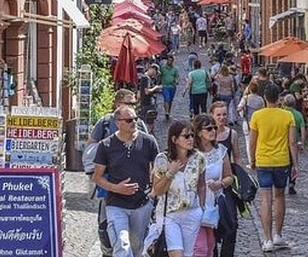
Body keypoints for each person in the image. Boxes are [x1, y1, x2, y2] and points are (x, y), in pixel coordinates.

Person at [92, 105, 160, 257]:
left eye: (135, 119)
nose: (134, 122)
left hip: (142, 204)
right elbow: (97, 177)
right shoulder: (106, 145)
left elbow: (158, 170)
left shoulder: (149, 141)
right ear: (118, 123)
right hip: (116, 204)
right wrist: (116, 188)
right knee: (122, 245)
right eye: (129, 120)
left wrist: (153, 193)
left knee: (137, 247)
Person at [249, 83, 298, 252]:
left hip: (263, 160)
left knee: (265, 199)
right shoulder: (287, 116)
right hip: (281, 161)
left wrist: (252, 159)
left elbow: (252, 141)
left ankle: (267, 239)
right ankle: (278, 235)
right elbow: (292, 142)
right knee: (279, 197)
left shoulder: (257, 116)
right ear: (279, 98)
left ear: (264, 98)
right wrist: (295, 164)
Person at [151, 121, 207, 257]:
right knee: (176, 254)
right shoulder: (162, 159)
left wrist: (201, 208)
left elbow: (201, 184)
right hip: (170, 215)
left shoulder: (199, 158)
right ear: (174, 139)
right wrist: (170, 173)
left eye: (192, 135)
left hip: (192, 214)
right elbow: (157, 190)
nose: (191, 139)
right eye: (186, 136)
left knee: (188, 254)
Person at [192, 114, 233, 257]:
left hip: (213, 206)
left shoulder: (221, 151)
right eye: (208, 128)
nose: (213, 131)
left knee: (210, 245)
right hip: (195, 205)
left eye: (214, 128)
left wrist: (220, 183)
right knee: (200, 248)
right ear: (198, 132)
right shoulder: (191, 153)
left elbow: (229, 177)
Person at [281, 93, 305, 195]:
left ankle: (281, 182)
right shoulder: (298, 115)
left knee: (284, 163)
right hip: (294, 142)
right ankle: (291, 183)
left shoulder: (282, 113)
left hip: (282, 142)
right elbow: (303, 131)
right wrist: (302, 143)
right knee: (293, 163)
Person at [160, 56, 180, 120]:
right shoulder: (163, 68)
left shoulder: (175, 69)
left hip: (172, 86)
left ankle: (168, 111)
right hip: (165, 86)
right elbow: (160, 75)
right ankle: (166, 112)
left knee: (170, 100)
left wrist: (177, 81)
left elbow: (177, 76)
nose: (170, 62)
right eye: (169, 60)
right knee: (167, 98)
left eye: (171, 61)